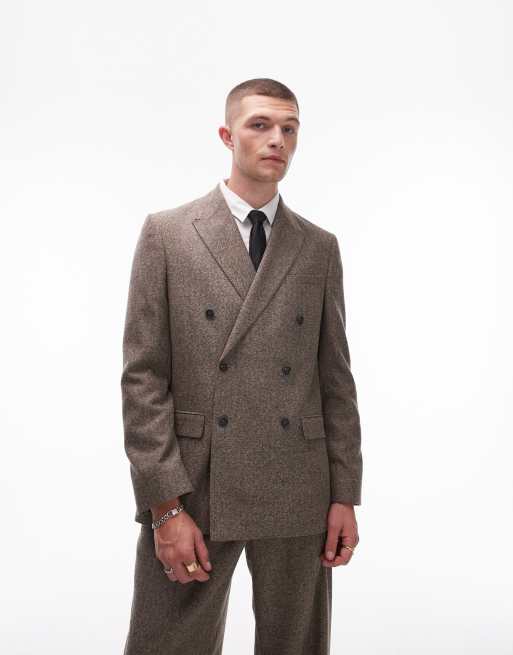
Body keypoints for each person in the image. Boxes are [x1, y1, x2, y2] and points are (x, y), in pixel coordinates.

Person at [121, 77, 363, 655]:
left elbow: (336, 381)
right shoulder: (168, 234)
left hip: (299, 485)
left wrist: (344, 494)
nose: (277, 139)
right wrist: (164, 508)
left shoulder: (319, 247)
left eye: (289, 128)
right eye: (260, 125)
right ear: (227, 136)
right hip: (196, 485)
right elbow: (144, 378)